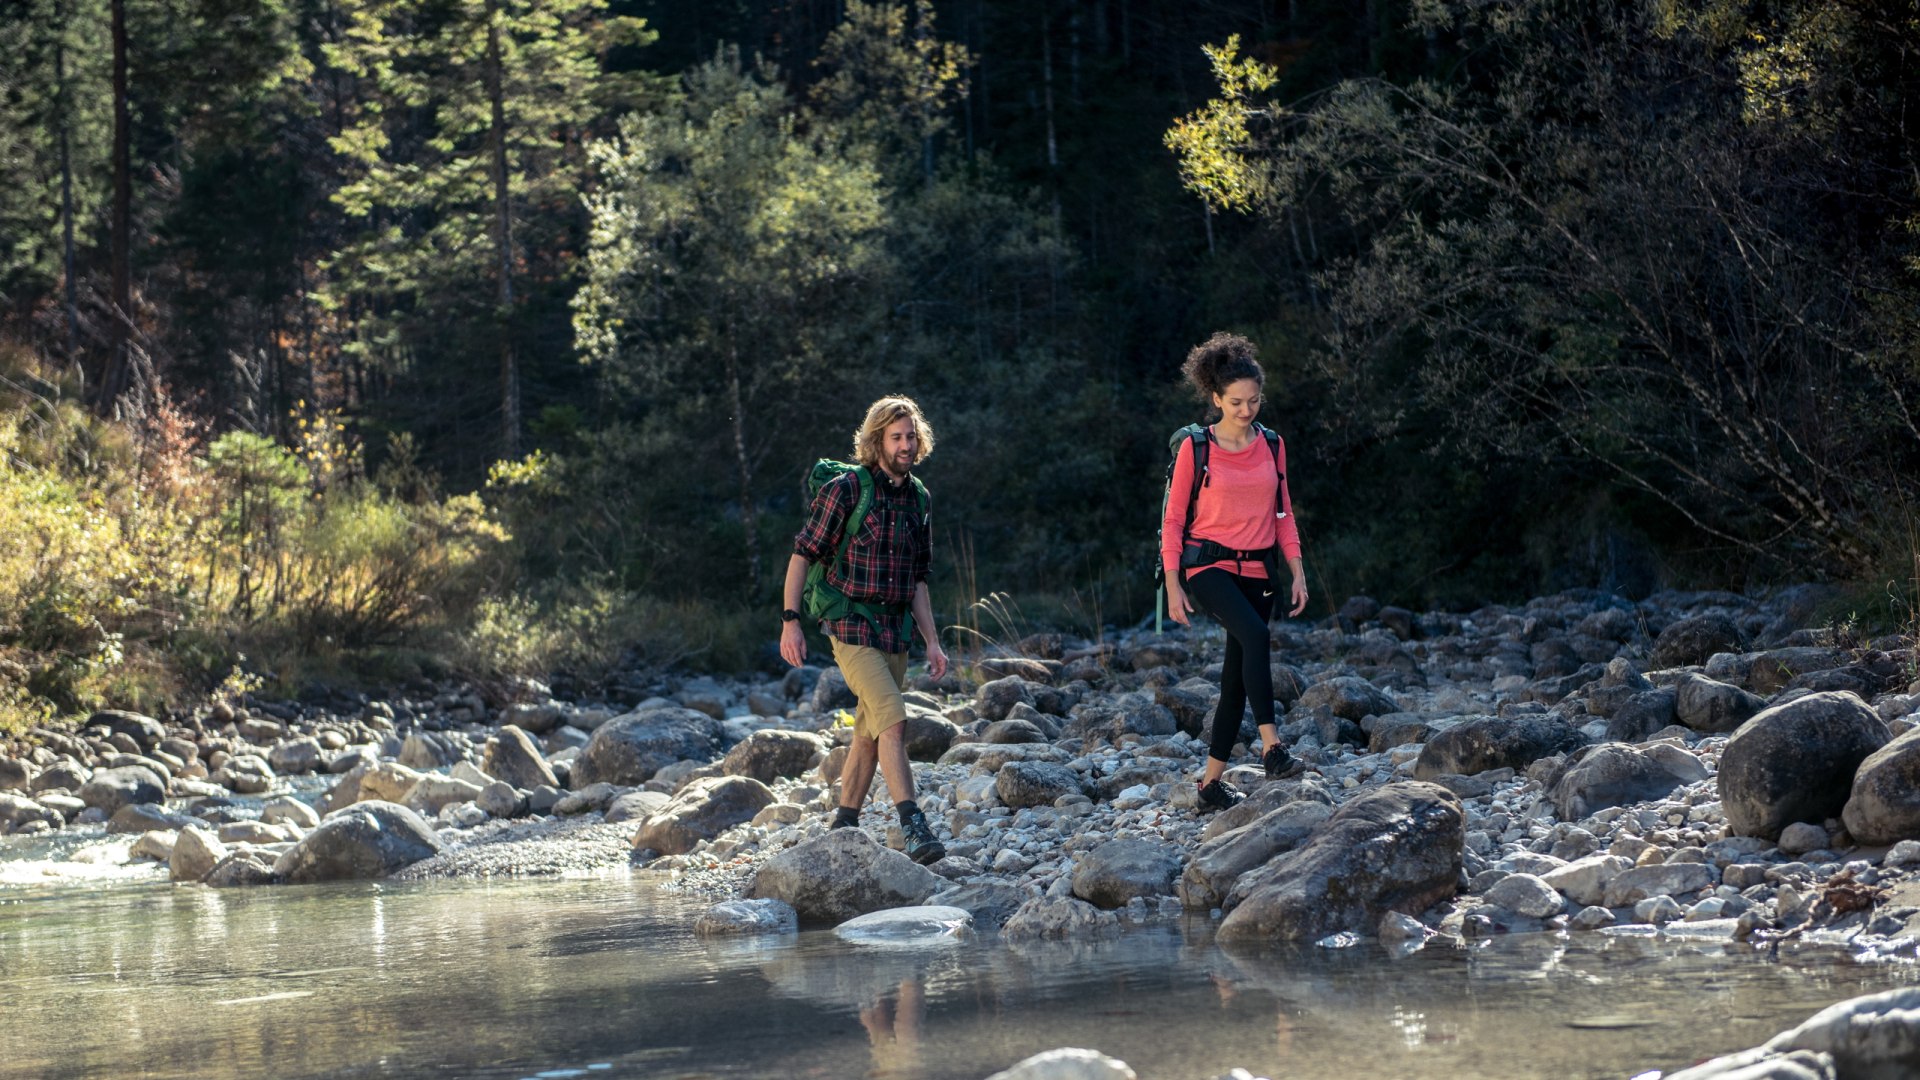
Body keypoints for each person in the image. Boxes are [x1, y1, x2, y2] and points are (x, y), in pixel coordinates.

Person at [780, 395, 950, 863]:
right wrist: (790, 621)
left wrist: (932, 641)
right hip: (848, 623)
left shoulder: (919, 497)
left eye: (912, 436)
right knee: (894, 719)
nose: (906, 445)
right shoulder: (847, 489)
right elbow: (803, 554)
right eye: (897, 437)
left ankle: (845, 823)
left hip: (894, 630)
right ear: (876, 441)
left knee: (870, 730)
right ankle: (913, 825)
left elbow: (918, 578)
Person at [1161, 333, 1309, 810]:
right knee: (1258, 639)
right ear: (1216, 399)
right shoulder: (1197, 448)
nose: (1247, 410)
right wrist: (1172, 584)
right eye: (1237, 402)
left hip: (1260, 572)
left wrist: (1297, 570)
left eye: (1254, 400)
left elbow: (1283, 513)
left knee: (1234, 680)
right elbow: (1174, 520)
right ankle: (1273, 748)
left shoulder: (1272, 444)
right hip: (1209, 567)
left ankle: (1209, 783)